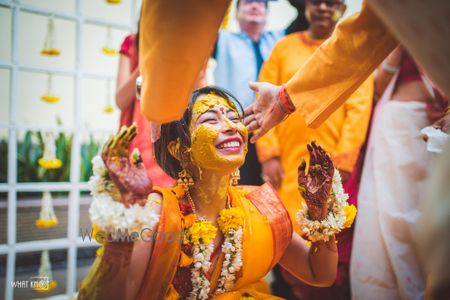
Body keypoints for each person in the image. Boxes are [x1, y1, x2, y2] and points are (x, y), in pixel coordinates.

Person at [77, 86, 355, 299]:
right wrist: (127, 212)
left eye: (234, 118)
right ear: (178, 150)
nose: (232, 127)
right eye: (211, 120)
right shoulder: (159, 213)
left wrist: (320, 215)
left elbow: (320, 273)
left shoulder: (261, 207)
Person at [255, 0, 373, 298]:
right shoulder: (284, 47)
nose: (323, 8)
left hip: (331, 162)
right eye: (316, 1)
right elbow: (264, 103)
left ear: (342, 8)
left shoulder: (352, 51)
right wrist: (269, 155)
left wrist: (343, 165)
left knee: (329, 230)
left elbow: (359, 109)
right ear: (305, 7)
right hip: (289, 161)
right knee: (284, 229)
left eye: (331, 2)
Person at [350, 46, 442, 300]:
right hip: (400, 125)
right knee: (394, 212)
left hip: (439, 126)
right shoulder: (402, 16)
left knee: (436, 213)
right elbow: (380, 86)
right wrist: (403, 42)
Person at [213, 0, 284, 185]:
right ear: (235, 13)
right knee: (240, 191)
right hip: (238, 129)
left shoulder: (281, 38)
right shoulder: (221, 41)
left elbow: (305, 8)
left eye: (261, 3)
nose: (255, 6)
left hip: (277, 131)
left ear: (267, 13)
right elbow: (197, 19)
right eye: (247, 2)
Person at [116, 31, 174, 187]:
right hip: (140, 134)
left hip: (174, 134)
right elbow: (121, 100)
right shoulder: (132, 43)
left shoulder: (183, 43)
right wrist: (146, 64)